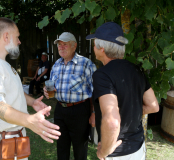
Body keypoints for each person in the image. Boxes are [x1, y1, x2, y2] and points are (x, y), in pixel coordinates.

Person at [0, 17, 61, 160]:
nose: (19, 41)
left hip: (14, 140)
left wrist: (33, 102)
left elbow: (12, 91)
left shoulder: (1, 63)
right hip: (1, 145)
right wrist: (30, 120)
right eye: (17, 36)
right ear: (6, 36)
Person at [86, 22, 159, 160]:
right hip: (138, 147)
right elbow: (153, 106)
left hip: (118, 154)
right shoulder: (136, 70)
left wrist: (103, 152)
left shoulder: (102, 75)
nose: (93, 48)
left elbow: (112, 122)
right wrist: (131, 112)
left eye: (94, 44)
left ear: (102, 49)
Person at [43, 32, 97, 160]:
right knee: (61, 146)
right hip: (60, 110)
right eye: (59, 45)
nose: (61, 47)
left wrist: (94, 112)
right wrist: (47, 91)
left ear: (74, 46)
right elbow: (52, 87)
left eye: (65, 44)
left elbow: (97, 91)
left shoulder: (85, 64)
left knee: (80, 148)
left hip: (79, 111)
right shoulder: (56, 65)